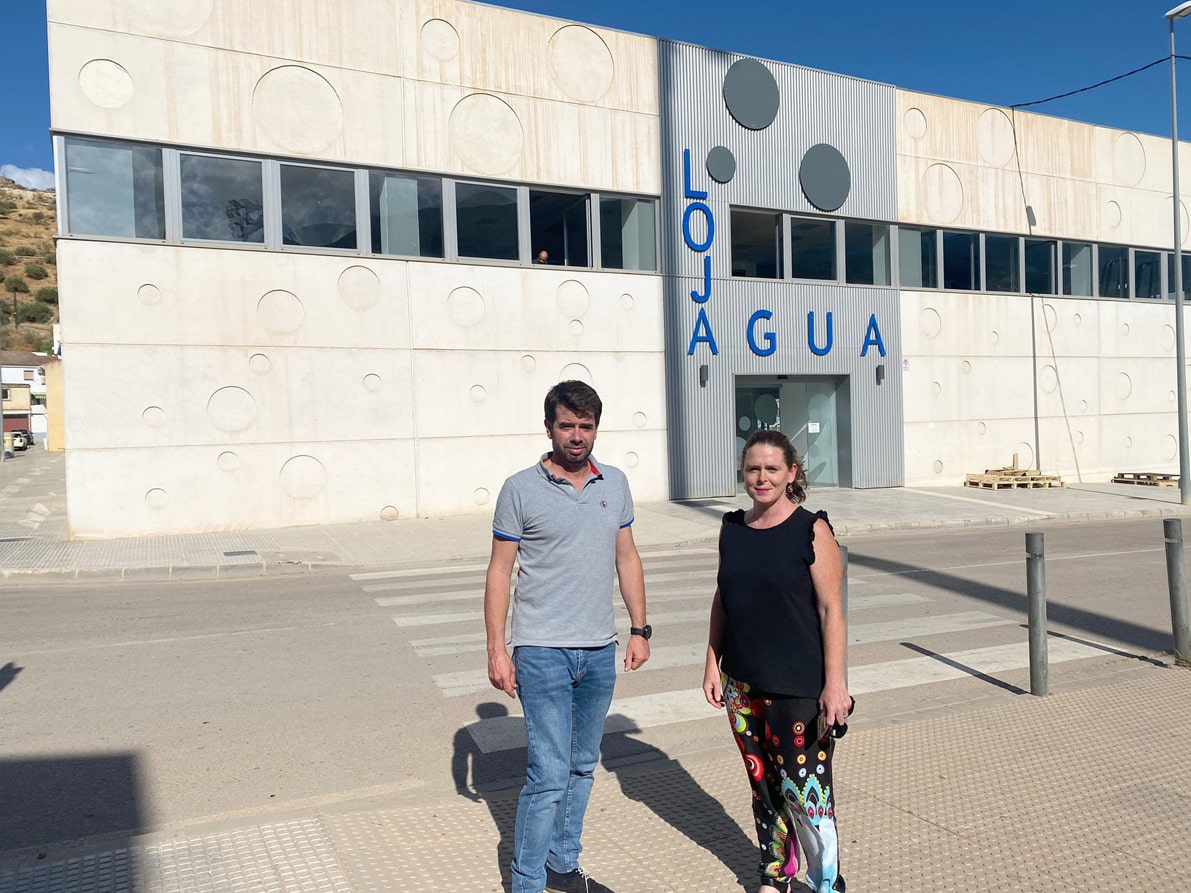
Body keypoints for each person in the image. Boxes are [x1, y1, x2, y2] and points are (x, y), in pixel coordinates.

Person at [485, 380, 650, 893]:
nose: (576, 436)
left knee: (581, 768)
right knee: (549, 773)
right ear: (549, 427)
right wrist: (497, 648)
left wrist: (639, 629)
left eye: (586, 426)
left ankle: (561, 862)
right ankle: (528, 881)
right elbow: (499, 572)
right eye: (567, 426)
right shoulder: (520, 488)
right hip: (541, 652)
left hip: (599, 648)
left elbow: (627, 557)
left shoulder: (615, 483)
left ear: (596, 427)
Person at [702, 429, 852, 893]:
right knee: (764, 786)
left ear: (792, 473)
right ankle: (776, 874)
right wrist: (712, 661)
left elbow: (831, 611)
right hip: (742, 684)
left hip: (798, 686)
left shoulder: (812, 529)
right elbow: (724, 598)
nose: (761, 478)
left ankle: (826, 881)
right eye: (753, 469)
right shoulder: (732, 529)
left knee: (806, 791)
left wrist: (835, 684)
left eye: (771, 469)